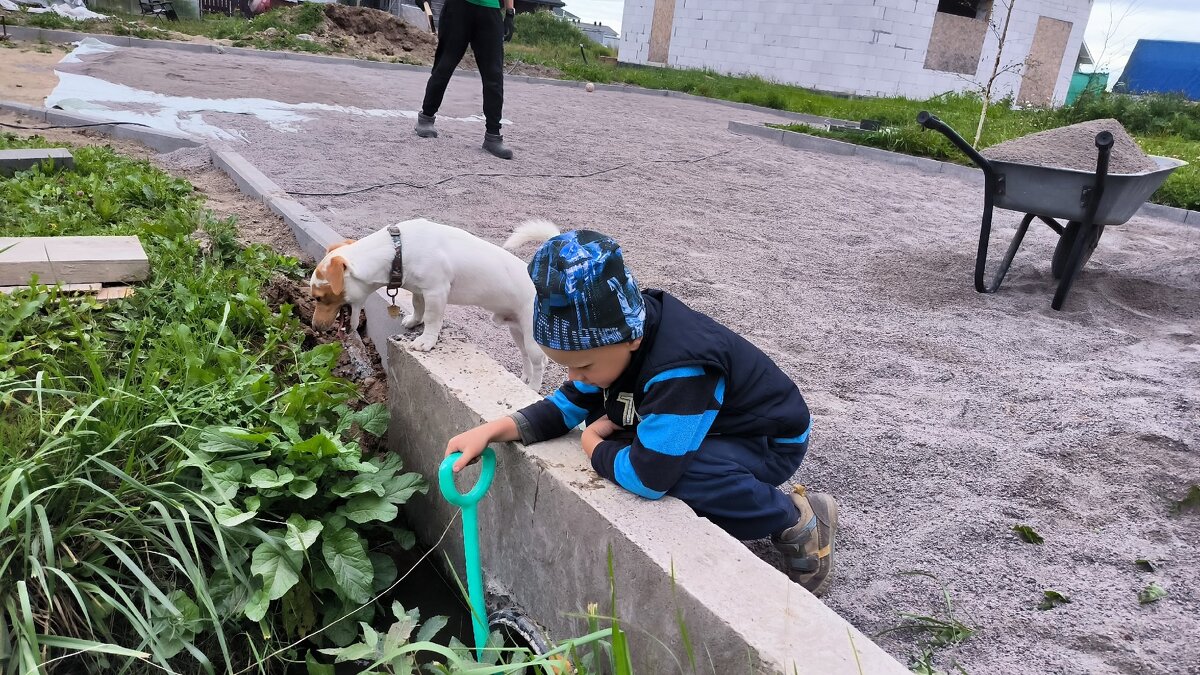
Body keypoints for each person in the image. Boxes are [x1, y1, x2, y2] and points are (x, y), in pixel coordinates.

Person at [443, 231, 839, 596]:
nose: (574, 377)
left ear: (631, 339)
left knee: (673, 474)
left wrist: (591, 443)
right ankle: (731, 501)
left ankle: (796, 518)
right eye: (566, 367)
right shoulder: (610, 341)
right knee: (634, 454)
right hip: (712, 424)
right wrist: (495, 430)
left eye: (583, 368)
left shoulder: (681, 370)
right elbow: (567, 404)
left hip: (765, 443)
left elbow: (650, 477)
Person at [414, 0, 516, 159]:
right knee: (444, 65)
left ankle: (493, 136)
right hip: (458, 7)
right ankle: (426, 118)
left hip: (490, 10)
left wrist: (510, 12)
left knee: (494, 75)